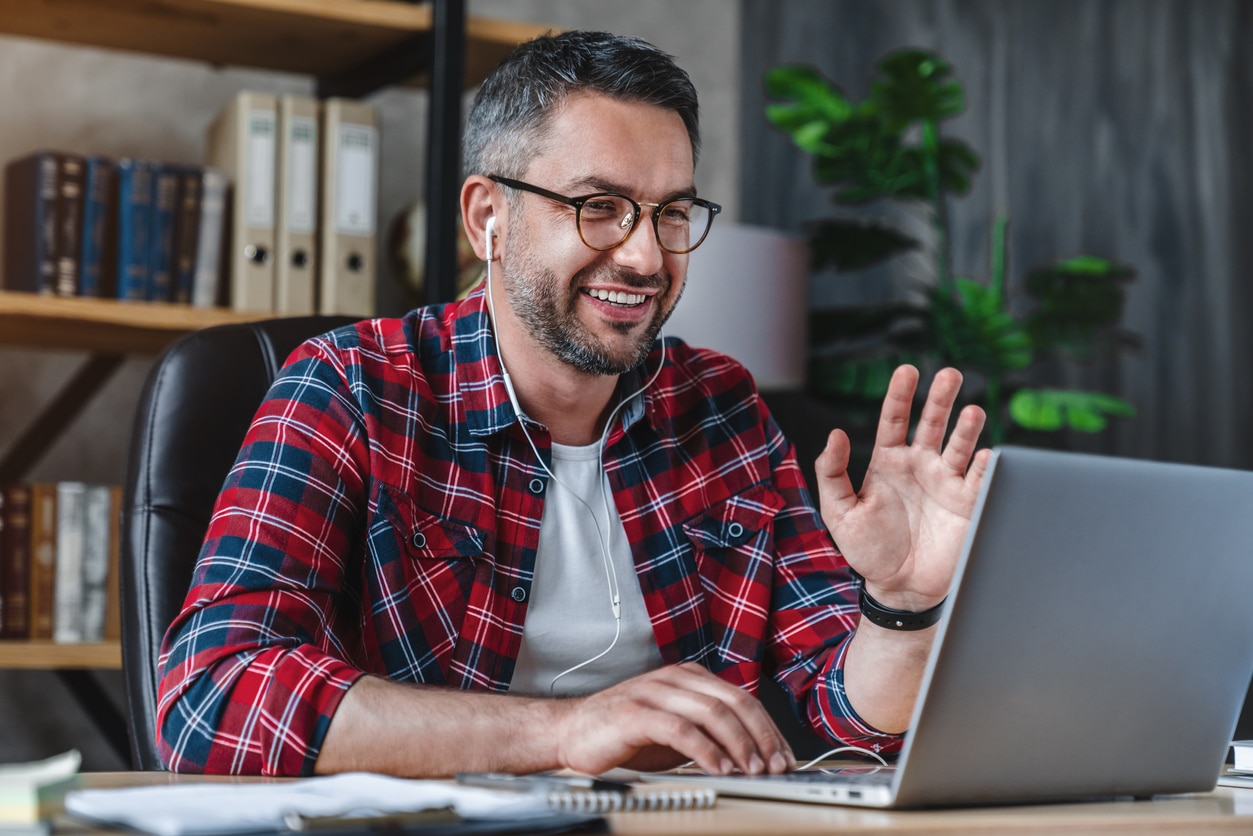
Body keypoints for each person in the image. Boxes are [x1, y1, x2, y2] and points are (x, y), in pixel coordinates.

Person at [156, 29, 989, 779]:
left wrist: (902, 603)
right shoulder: (351, 388)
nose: (643, 255)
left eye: (670, 214)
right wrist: (564, 734)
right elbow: (212, 697)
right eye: (598, 208)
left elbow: (844, 715)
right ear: (488, 217)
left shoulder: (722, 406)